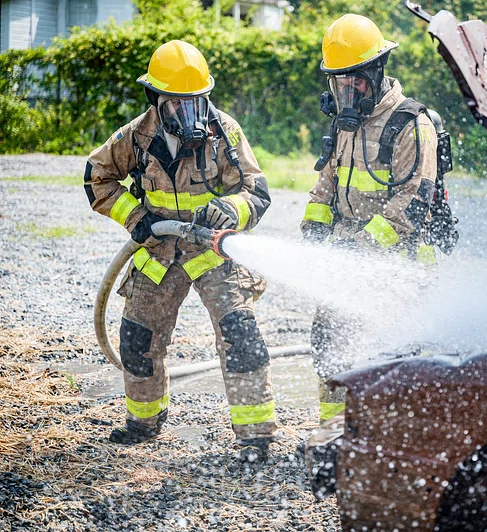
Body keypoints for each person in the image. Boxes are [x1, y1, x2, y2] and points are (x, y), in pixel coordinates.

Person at [84, 40, 275, 463]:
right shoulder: (136, 136)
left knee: (241, 336)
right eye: (176, 104)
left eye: (195, 102)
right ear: (155, 99)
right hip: (159, 249)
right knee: (138, 338)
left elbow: (256, 191)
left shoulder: (225, 131)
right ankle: (144, 422)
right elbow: (97, 177)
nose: (188, 114)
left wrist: (232, 209)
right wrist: (136, 218)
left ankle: (256, 438)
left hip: (213, 249)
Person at [299, 14, 439, 425]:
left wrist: (359, 248)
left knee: (396, 355)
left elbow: (410, 207)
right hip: (347, 254)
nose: (347, 91)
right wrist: (313, 228)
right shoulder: (347, 122)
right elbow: (327, 181)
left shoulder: (411, 126)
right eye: (339, 83)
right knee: (329, 341)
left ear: (377, 72)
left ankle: (402, 437)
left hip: (398, 260)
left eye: (355, 81)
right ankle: (335, 432)